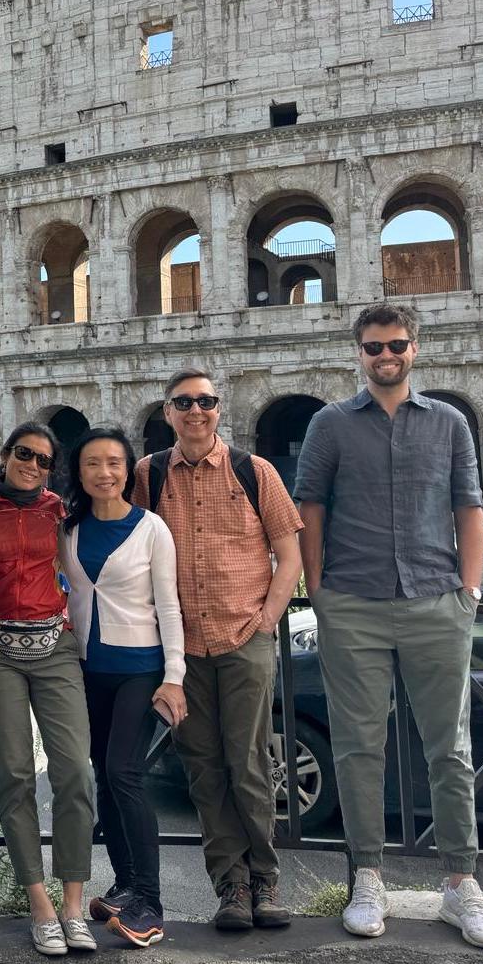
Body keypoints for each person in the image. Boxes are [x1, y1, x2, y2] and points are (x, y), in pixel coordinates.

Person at [295, 302, 483, 948]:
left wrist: (468, 589)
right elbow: (311, 509)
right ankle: (368, 877)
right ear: (357, 352)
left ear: (415, 348)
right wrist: (318, 591)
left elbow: (470, 507)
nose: (386, 356)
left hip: (437, 599)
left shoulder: (450, 424)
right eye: (374, 347)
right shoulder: (329, 424)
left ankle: (461, 884)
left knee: (452, 749)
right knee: (357, 747)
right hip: (352, 603)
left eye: (397, 345)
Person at [131, 368, 303, 931]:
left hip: (243, 635)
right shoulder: (149, 474)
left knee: (249, 762)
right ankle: (229, 884)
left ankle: (264, 880)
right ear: (168, 410)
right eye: (184, 402)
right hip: (181, 647)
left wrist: (267, 621)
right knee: (202, 766)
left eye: (205, 401)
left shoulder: (256, 472)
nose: (195, 411)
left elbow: (290, 554)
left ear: (219, 408)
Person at [0, 422, 96, 957]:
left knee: (74, 771)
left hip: (54, 643)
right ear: (4, 454)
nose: (33, 465)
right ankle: (39, 904)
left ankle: (73, 903)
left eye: (44, 460)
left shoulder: (59, 510)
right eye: (24, 454)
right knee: (15, 774)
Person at [59, 426, 185, 949]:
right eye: (92, 463)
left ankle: (150, 901)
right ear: (79, 472)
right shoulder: (68, 529)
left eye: (114, 463)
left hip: (141, 666)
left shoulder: (151, 528)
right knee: (103, 778)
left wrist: (174, 676)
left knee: (123, 772)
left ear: (128, 470)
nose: (104, 473)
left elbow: (169, 604)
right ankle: (125, 882)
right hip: (87, 668)